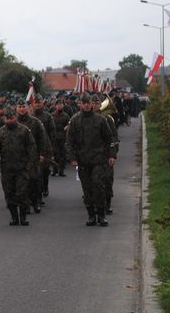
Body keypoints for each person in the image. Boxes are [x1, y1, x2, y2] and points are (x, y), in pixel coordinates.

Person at [66, 92, 117, 226]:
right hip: (83, 160)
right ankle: (91, 215)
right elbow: (69, 141)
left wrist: (112, 155)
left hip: (99, 159)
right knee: (87, 188)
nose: (87, 105)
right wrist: (71, 157)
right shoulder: (75, 120)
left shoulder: (100, 120)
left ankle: (101, 215)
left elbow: (109, 138)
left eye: (89, 103)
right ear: (80, 104)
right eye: (84, 103)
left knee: (98, 184)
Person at [0, 107, 36, 225]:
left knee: (22, 192)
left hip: (22, 167)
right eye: (7, 119)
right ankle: (14, 217)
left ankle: (23, 217)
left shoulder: (24, 131)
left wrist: (31, 164)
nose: (9, 121)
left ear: (15, 117)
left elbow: (31, 148)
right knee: (9, 193)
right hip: (6, 168)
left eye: (11, 118)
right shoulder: (0, 132)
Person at [15, 98, 50, 213]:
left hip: (33, 156)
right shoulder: (13, 122)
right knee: (21, 182)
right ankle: (24, 204)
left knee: (34, 180)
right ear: (16, 108)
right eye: (19, 107)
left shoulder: (35, 122)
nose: (21, 109)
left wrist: (42, 154)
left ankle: (35, 202)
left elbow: (42, 139)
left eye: (23, 106)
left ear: (28, 107)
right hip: (18, 157)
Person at [92, 94, 119, 214]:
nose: (94, 106)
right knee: (93, 183)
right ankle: (95, 206)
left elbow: (114, 138)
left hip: (105, 155)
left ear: (100, 105)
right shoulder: (82, 118)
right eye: (92, 103)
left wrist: (113, 155)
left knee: (107, 181)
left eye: (96, 103)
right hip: (90, 156)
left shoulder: (108, 119)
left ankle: (107, 204)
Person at [31, 94, 56, 197]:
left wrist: (52, 149)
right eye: (36, 103)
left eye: (39, 102)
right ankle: (37, 192)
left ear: (42, 103)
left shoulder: (48, 116)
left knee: (45, 171)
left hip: (45, 148)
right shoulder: (30, 116)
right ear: (33, 103)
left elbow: (52, 133)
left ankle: (45, 187)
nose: (37, 104)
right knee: (35, 172)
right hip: (32, 148)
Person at [51, 99, 70, 176]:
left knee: (62, 154)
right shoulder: (52, 115)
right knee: (55, 154)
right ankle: (55, 170)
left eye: (61, 104)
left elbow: (69, 125)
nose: (59, 105)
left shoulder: (66, 116)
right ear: (55, 106)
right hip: (54, 137)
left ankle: (61, 171)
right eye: (58, 104)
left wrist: (67, 127)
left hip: (63, 137)